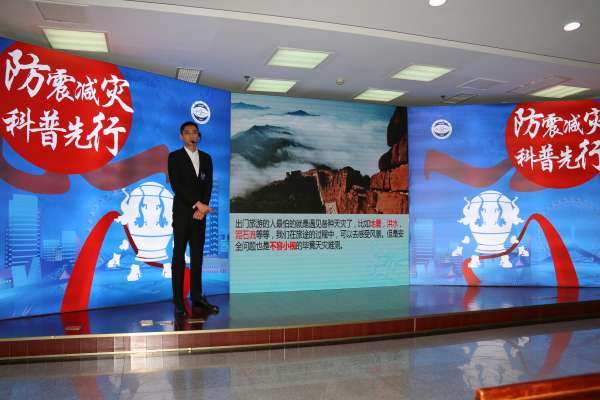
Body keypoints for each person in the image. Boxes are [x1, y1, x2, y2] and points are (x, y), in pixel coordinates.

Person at [168, 121, 219, 317]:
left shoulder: (206, 158)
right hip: (182, 212)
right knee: (179, 256)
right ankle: (178, 300)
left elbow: (208, 184)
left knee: (197, 256)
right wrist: (197, 204)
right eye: (187, 132)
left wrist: (203, 207)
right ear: (181, 136)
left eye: (195, 132)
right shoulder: (174, 157)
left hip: (200, 214)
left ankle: (197, 297)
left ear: (199, 135)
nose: (192, 135)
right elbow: (177, 185)